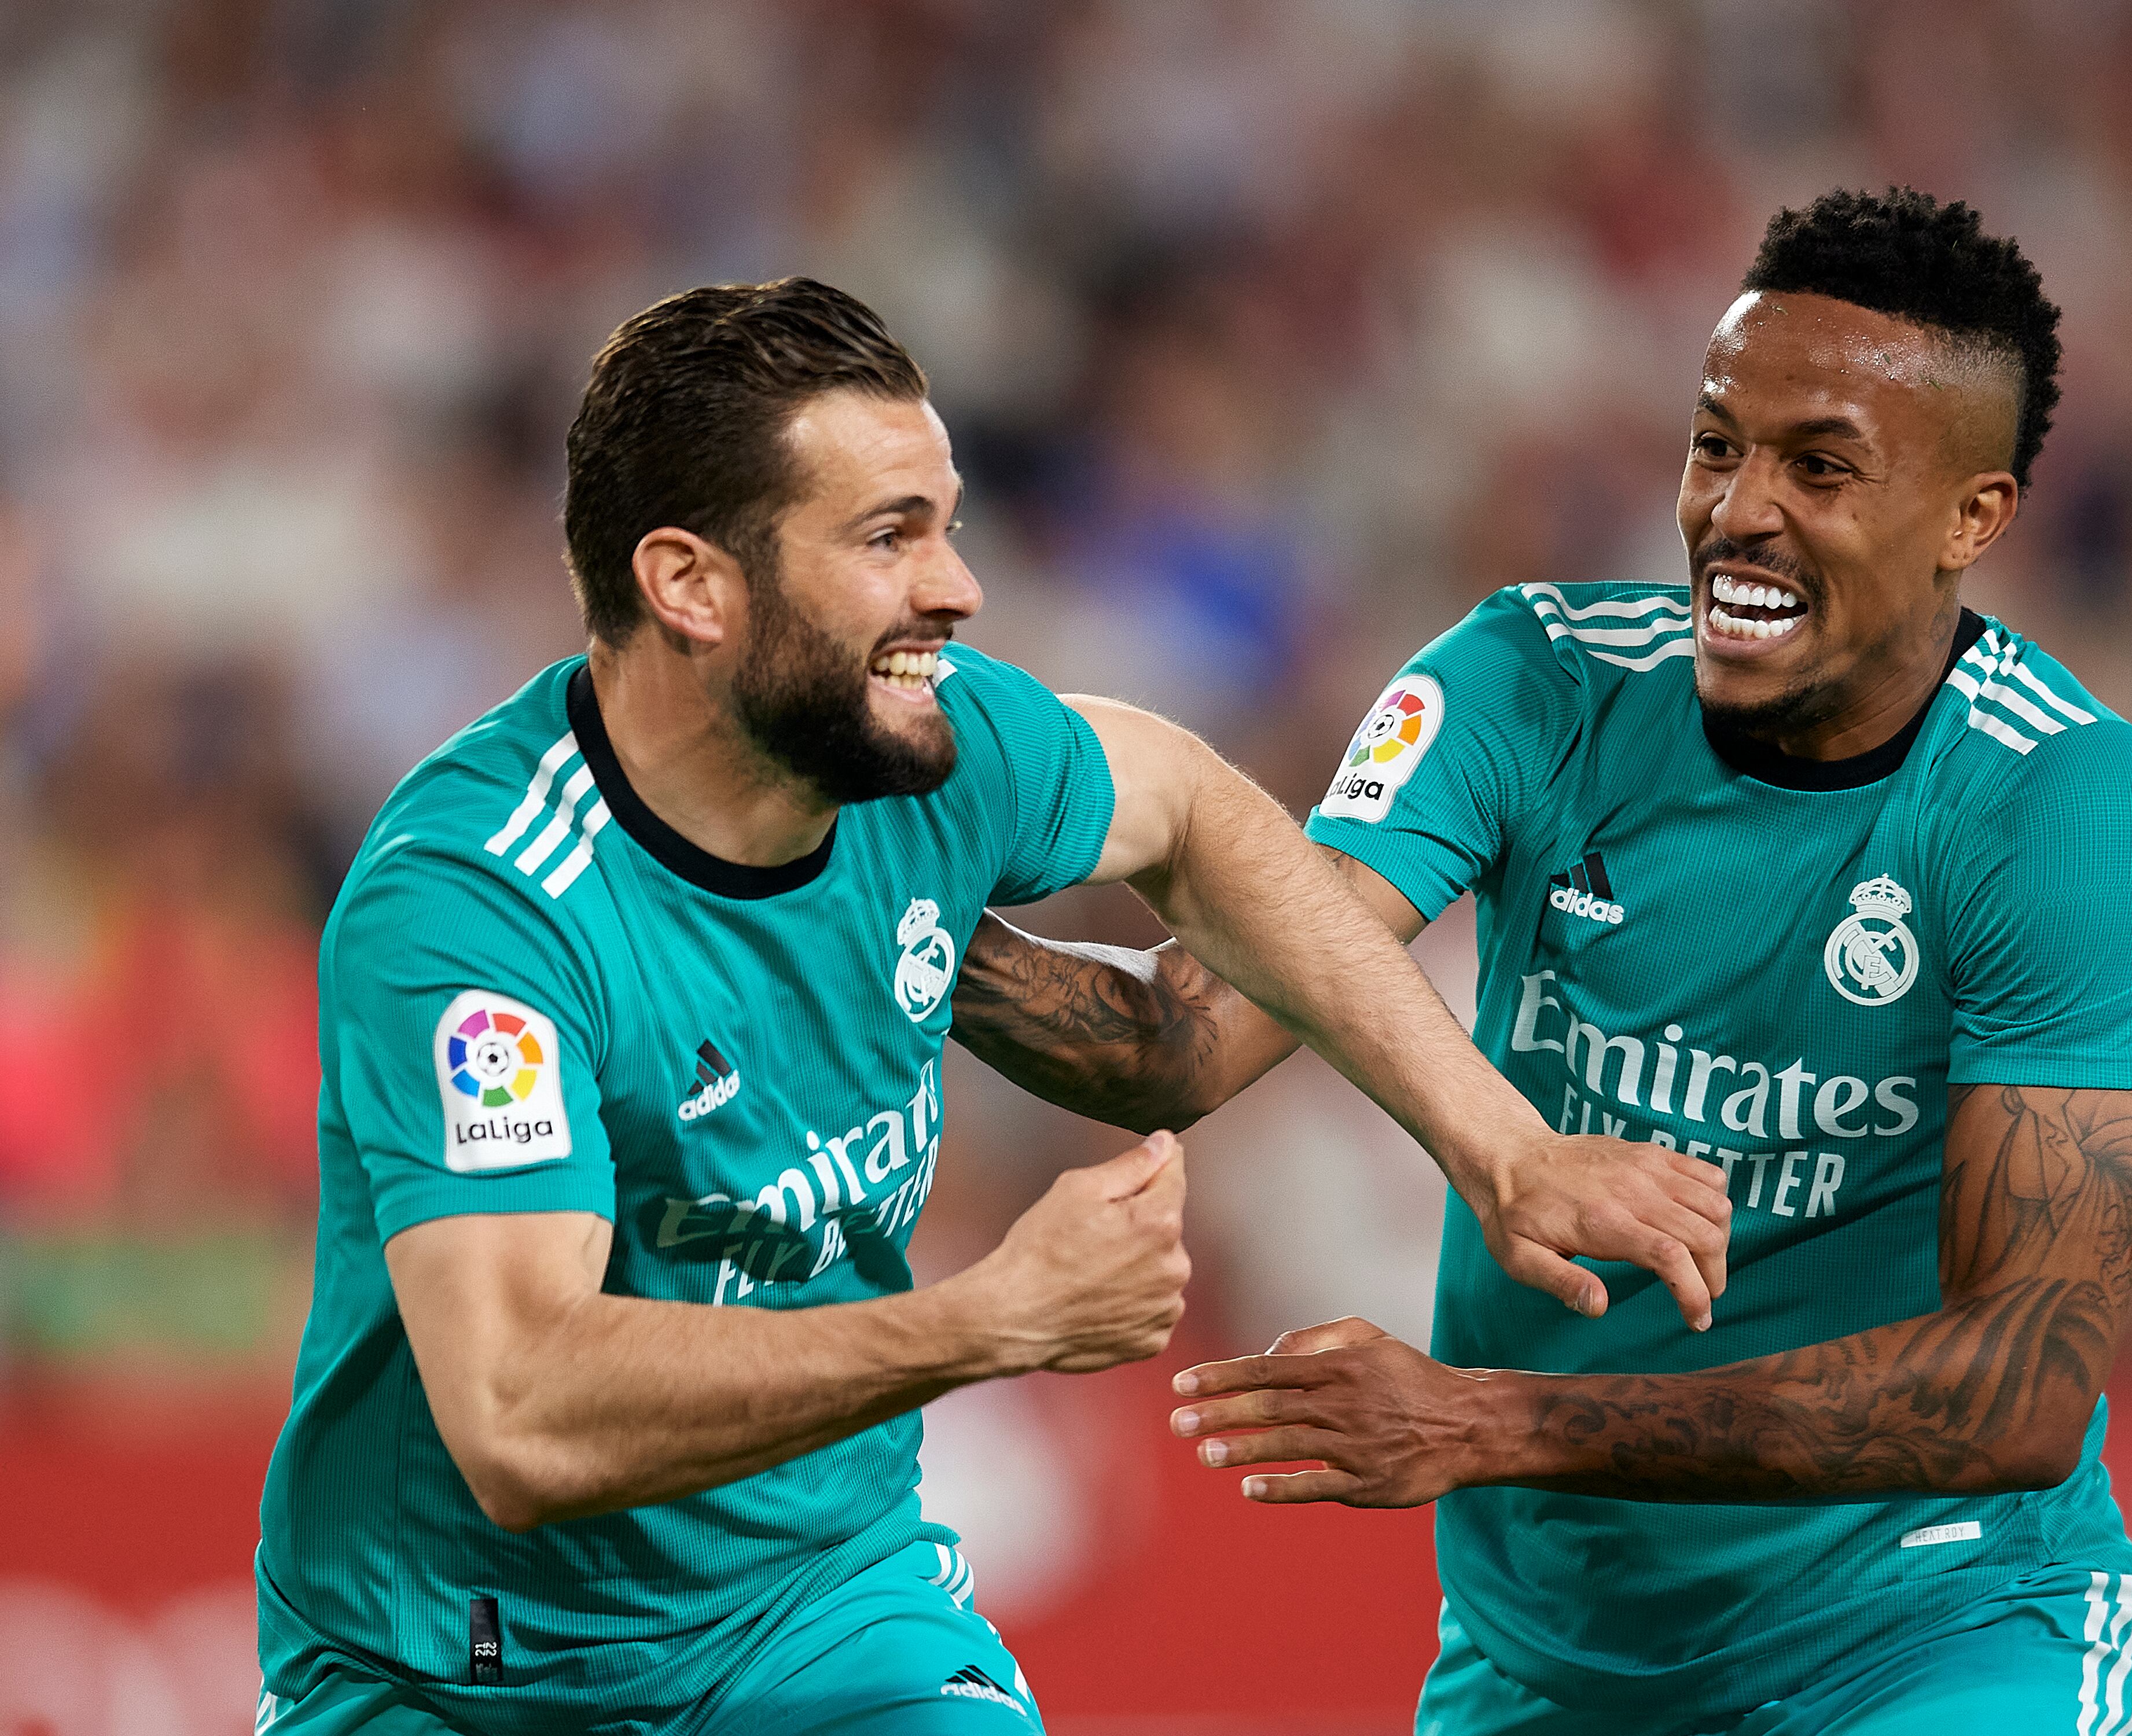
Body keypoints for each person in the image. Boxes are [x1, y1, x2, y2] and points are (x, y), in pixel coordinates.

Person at [252, 278, 1733, 1736]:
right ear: (689, 584)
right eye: (890, 536)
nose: (958, 586)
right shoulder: (476, 910)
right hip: (455, 1667)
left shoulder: (929, 750)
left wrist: (1496, 1143)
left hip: (812, 1608)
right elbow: (520, 1413)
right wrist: (988, 1321)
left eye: (946, 523)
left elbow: (1201, 812)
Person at [954, 189, 2132, 1735]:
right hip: (1548, 1659)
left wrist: (1483, 1419)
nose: (1740, 508)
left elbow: (2016, 1383)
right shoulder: (1528, 683)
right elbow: (1180, 1042)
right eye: (1716, 443)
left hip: (1928, 1637)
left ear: (1971, 517)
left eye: (1819, 467)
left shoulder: (2051, 799)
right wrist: (884, 910)